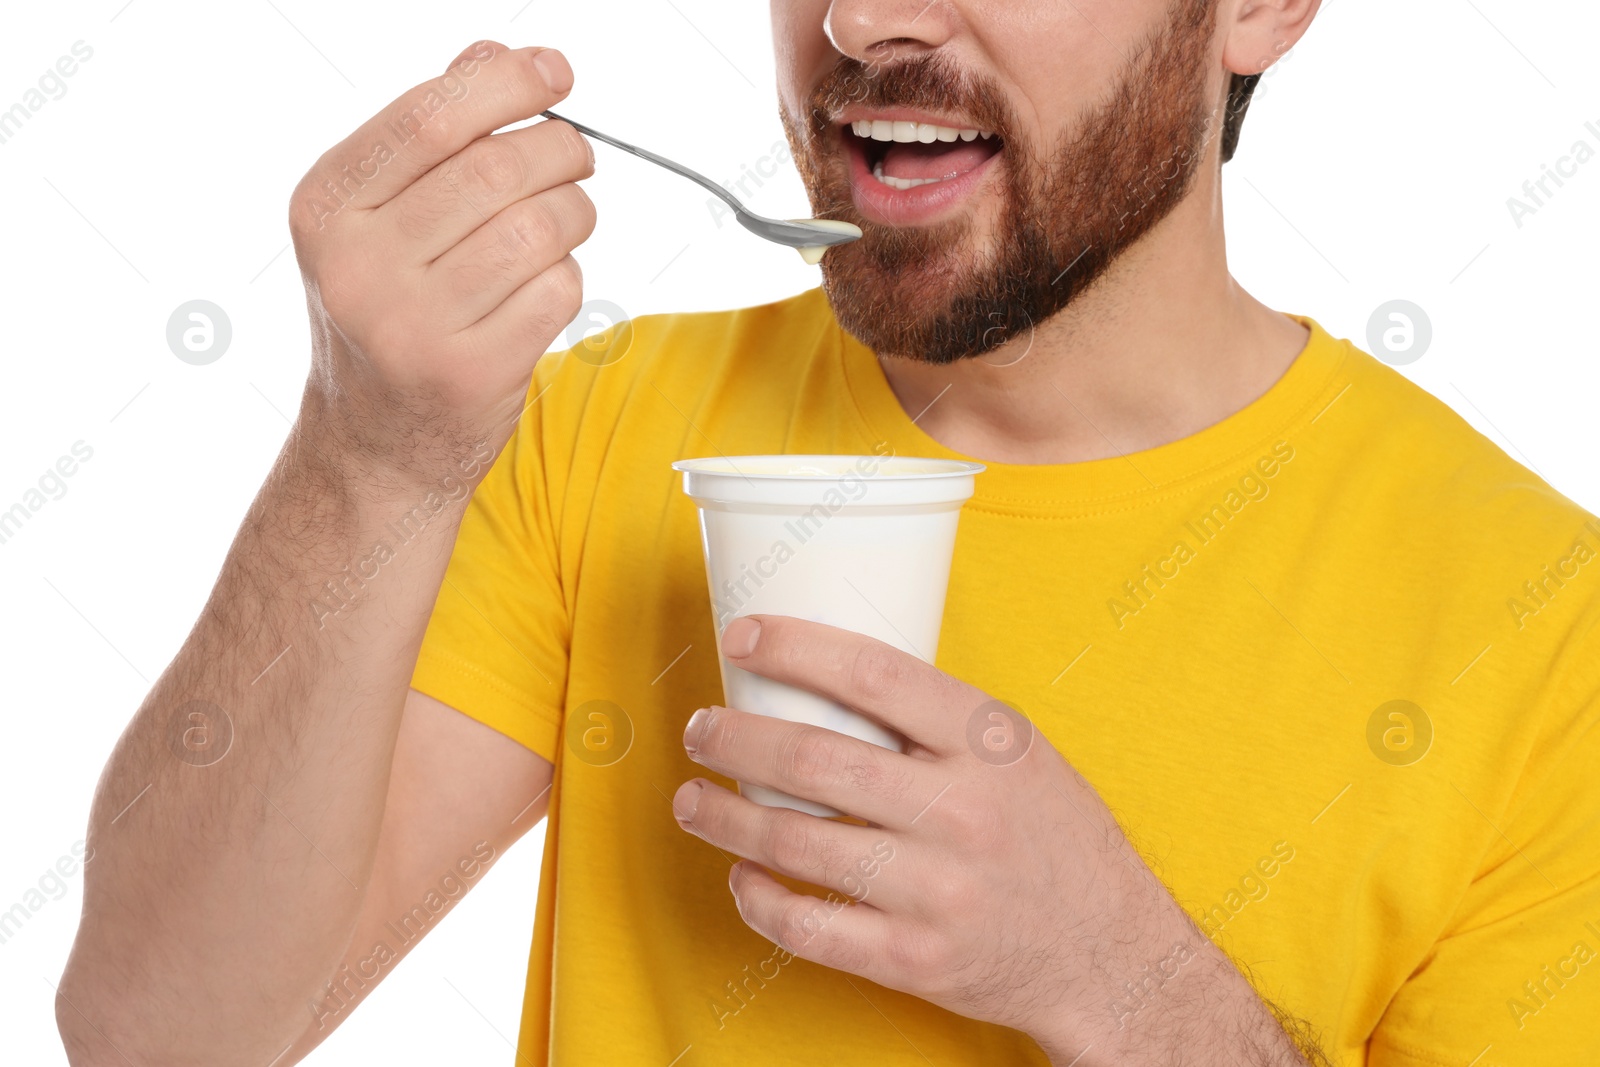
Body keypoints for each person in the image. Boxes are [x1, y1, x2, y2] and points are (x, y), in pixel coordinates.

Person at [57, 2, 1600, 1064]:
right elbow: (162, 1035)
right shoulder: (606, 426)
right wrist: (370, 458)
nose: (862, 23)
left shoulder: (1541, 632)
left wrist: (1121, 986)